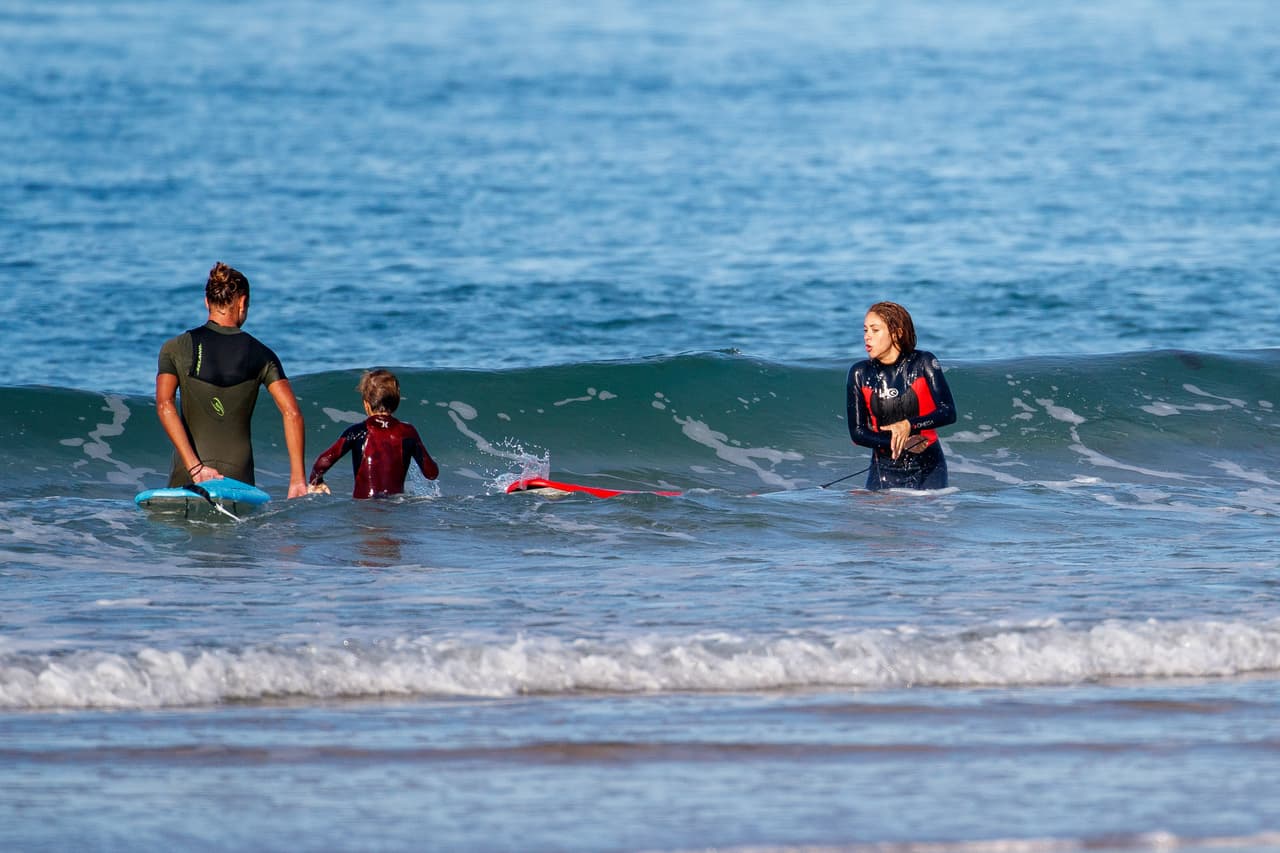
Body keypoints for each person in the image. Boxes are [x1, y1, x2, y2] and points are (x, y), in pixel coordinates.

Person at [155, 262, 308, 498]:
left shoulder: (175, 348)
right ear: (243, 303)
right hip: (240, 478)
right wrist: (298, 480)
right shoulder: (262, 354)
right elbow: (292, 413)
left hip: (189, 475)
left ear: (207, 302)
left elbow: (165, 404)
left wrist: (195, 467)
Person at [846, 301, 957, 490]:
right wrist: (899, 443)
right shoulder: (860, 373)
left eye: (875, 330)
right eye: (865, 330)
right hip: (884, 470)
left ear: (896, 332)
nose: (867, 337)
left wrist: (909, 425)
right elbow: (858, 433)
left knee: (927, 518)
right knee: (877, 519)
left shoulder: (923, 363)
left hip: (929, 468)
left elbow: (948, 412)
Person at [307, 369, 439, 499]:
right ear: (397, 403)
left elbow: (323, 461)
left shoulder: (357, 432)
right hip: (395, 509)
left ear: (366, 404)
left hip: (364, 509)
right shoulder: (408, 432)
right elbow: (431, 473)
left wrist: (316, 481)